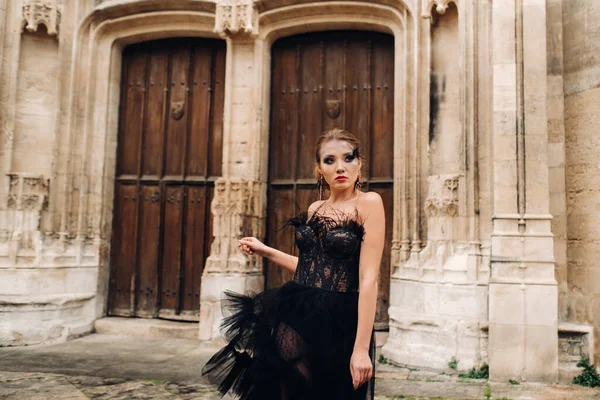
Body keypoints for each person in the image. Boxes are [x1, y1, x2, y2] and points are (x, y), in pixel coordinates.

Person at [202, 128, 385, 400]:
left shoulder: (369, 203)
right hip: (298, 308)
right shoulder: (316, 209)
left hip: (340, 318)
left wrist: (361, 349)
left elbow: (368, 279)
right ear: (319, 169)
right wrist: (266, 251)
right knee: (287, 387)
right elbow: (312, 270)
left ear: (360, 164)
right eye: (329, 160)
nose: (340, 167)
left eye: (348, 158)